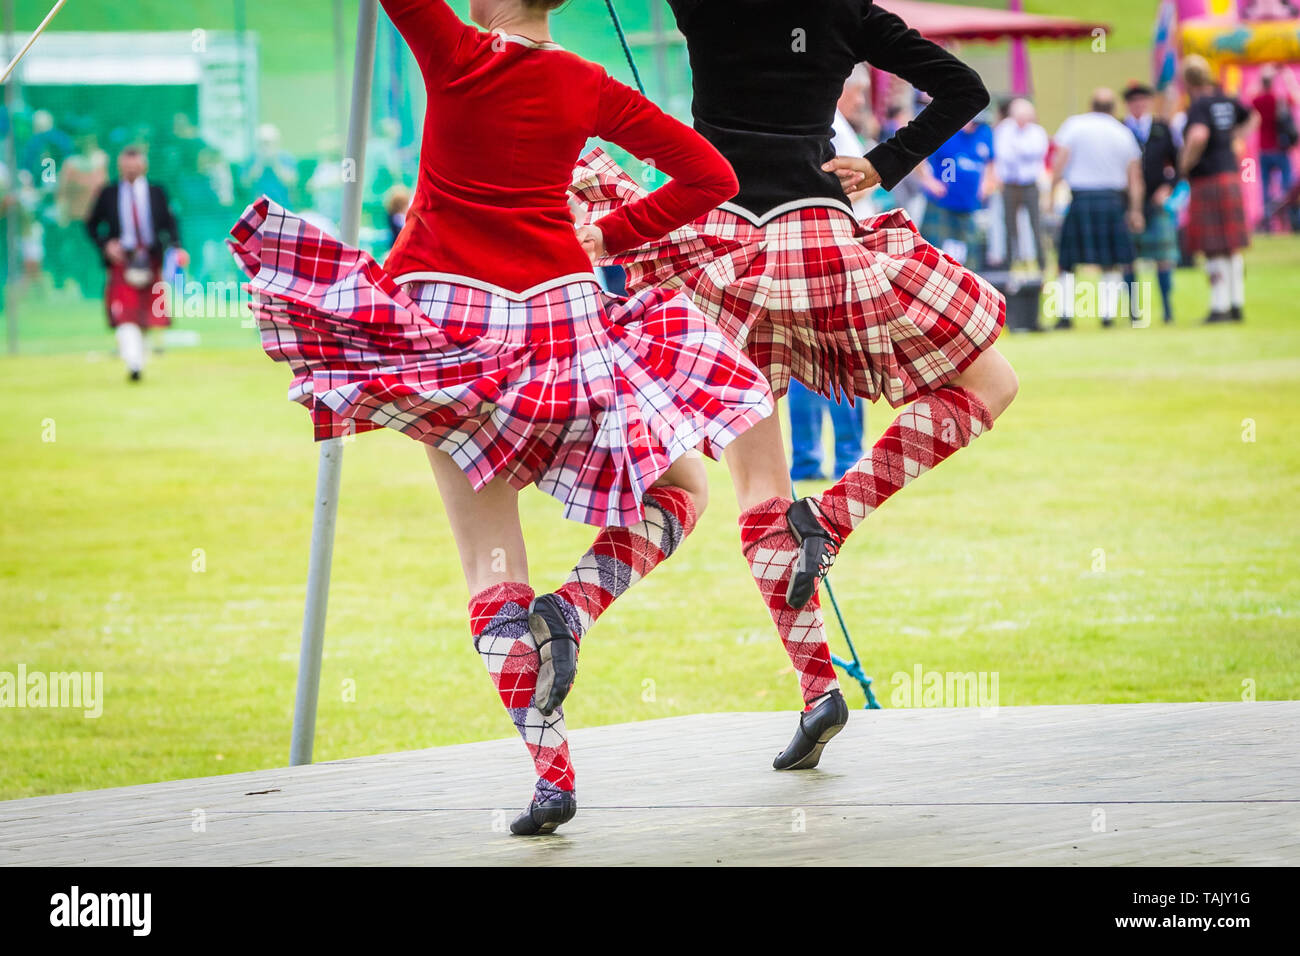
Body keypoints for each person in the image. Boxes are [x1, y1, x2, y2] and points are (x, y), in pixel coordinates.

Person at [227, 0, 772, 836]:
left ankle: (552, 774)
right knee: (683, 487)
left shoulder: (455, 51)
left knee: (490, 569)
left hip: (454, 328)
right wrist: (611, 235)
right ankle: (575, 610)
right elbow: (713, 178)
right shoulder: (583, 81)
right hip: (565, 327)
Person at [573, 0, 1016, 770]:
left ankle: (818, 688)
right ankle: (834, 526)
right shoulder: (844, 9)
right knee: (990, 383)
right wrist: (885, 163)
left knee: (758, 492)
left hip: (717, 242)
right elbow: (966, 87)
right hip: (820, 238)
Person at [789, 71, 872, 483]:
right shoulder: (831, 125)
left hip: (797, 252)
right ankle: (848, 459)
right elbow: (845, 188)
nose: (859, 103)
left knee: (801, 361)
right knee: (843, 356)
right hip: (832, 253)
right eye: (857, 94)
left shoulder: (796, 115)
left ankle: (806, 460)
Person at [86, 147, 187, 381]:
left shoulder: (157, 192)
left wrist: (177, 246)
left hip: (151, 259)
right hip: (122, 260)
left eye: (135, 165)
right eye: (126, 166)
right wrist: (106, 245)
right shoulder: (108, 193)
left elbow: (170, 223)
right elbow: (91, 224)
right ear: (120, 167)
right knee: (124, 314)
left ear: (144, 166)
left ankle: (136, 361)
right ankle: (134, 363)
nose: (131, 170)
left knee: (146, 318)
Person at [1051, 88, 1145, 328]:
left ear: (1090, 105)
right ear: (1114, 108)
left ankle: (1065, 315)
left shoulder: (1075, 125)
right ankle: (1107, 315)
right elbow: (1135, 178)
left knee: (1067, 262)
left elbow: (1059, 163)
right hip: (1112, 201)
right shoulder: (1123, 132)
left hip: (1080, 199)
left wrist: (1052, 196)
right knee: (1111, 260)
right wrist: (1135, 211)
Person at [1180, 55, 1256, 323]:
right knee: (1231, 246)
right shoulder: (1227, 99)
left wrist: (1185, 163)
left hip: (1208, 179)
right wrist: (1235, 139)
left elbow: (1198, 136)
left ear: (1188, 82)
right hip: (1230, 175)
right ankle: (1236, 304)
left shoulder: (1199, 105)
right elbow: (1252, 117)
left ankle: (1218, 306)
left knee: (1213, 247)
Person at [1122, 82, 1180, 325]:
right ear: (1128, 104)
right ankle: (1134, 312)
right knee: (1128, 259)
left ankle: (1167, 310)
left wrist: (1168, 188)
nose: (1138, 105)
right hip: (1127, 203)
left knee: (1163, 258)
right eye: (1134, 101)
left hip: (1156, 201)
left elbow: (1178, 165)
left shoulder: (1161, 128)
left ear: (1148, 102)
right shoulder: (1120, 128)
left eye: (1142, 100)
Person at [917, 113, 996, 270]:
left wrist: (987, 183)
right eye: (972, 123)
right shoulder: (945, 131)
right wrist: (928, 181)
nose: (974, 127)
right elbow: (917, 155)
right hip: (942, 204)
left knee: (968, 263)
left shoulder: (984, 132)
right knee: (936, 257)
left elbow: (990, 163)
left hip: (969, 206)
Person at [993, 97, 1049, 271]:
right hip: (1010, 184)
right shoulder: (1004, 129)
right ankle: (1009, 263)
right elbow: (1003, 154)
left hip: (1029, 184)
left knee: (1035, 224)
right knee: (1009, 224)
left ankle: (1042, 264)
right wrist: (1021, 151)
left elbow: (1036, 152)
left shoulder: (1037, 132)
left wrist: (1018, 149)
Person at [1250, 65, 1299, 233]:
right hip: (1281, 149)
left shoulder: (1259, 101)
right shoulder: (1280, 100)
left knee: (1265, 190)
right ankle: (1292, 222)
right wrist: (1288, 78)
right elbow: (1297, 97)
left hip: (1264, 150)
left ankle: (1268, 224)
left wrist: (1261, 76)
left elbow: (1249, 96)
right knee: (1288, 189)